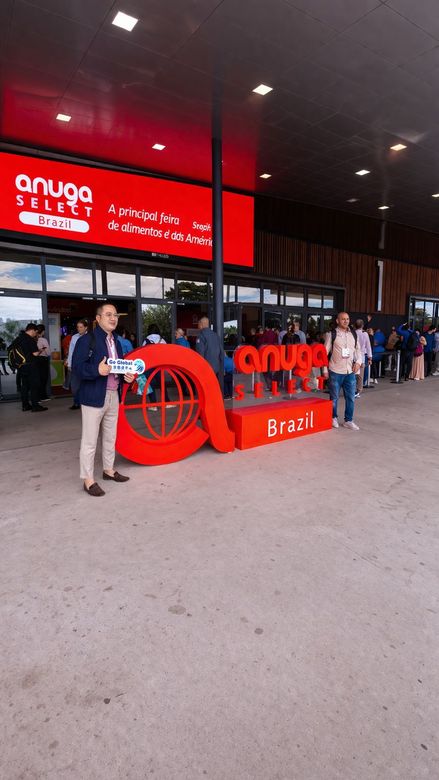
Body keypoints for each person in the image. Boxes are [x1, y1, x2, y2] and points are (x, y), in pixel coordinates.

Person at [72, 302, 134, 497]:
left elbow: (118, 367)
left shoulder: (116, 341)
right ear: (98, 319)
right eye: (108, 314)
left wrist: (127, 376)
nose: (113, 318)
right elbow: (77, 368)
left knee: (110, 437)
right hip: (93, 396)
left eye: (115, 314)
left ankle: (108, 470)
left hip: (113, 395)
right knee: (90, 441)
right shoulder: (87, 340)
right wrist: (96, 370)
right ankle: (88, 480)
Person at [323, 312, 363, 430]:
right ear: (337, 321)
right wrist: (324, 370)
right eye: (343, 319)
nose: (346, 321)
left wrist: (359, 362)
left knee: (350, 397)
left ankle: (348, 420)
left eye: (347, 319)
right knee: (334, 397)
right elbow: (324, 353)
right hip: (335, 370)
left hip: (349, 371)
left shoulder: (354, 334)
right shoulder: (332, 334)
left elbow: (358, 351)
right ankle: (333, 417)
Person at [15, 323, 48, 412]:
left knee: (25, 386)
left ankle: (25, 405)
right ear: (32, 330)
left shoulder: (19, 338)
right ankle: (35, 406)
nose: (35, 334)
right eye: (35, 332)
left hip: (22, 366)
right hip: (31, 365)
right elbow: (35, 353)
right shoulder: (30, 339)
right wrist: (40, 350)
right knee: (35, 385)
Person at [142, 324, 174, 406]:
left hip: (149, 366)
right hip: (160, 366)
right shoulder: (162, 340)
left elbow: (143, 353)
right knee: (162, 384)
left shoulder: (146, 340)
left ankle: (153, 404)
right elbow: (166, 353)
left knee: (150, 384)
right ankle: (167, 402)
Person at [67, 319, 89, 409]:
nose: (79, 329)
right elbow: (71, 351)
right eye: (78, 327)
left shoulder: (90, 337)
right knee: (75, 385)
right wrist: (69, 363)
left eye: (81, 327)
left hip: (87, 364)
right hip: (76, 364)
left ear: (86, 327)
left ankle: (86, 403)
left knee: (86, 384)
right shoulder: (74, 337)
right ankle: (76, 402)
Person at [196, 316, 223, 382]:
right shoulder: (216, 335)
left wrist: (199, 368)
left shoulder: (201, 335)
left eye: (198, 324)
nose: (198, 326)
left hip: (206, 368)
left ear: (201, 324)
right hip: (216, 368)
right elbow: (221, 352)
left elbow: (200, 354)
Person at [354, 319, 372, 397]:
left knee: (352, 375)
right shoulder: (365, 334)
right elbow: (368, 346)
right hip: (361, 357)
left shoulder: (353, 333)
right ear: (362, 326)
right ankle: (358, 391)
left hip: (353, 356)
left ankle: (352, 389)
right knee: (360, 376)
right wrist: (370, 357)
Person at [35, 324, 51, 401]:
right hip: (43, 360)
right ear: (43, 331)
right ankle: (43, 397)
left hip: (35, 360)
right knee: (44, 379)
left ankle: (37, 397)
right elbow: (48, 352)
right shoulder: (43, 340)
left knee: (38, 378)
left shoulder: (34, 339)